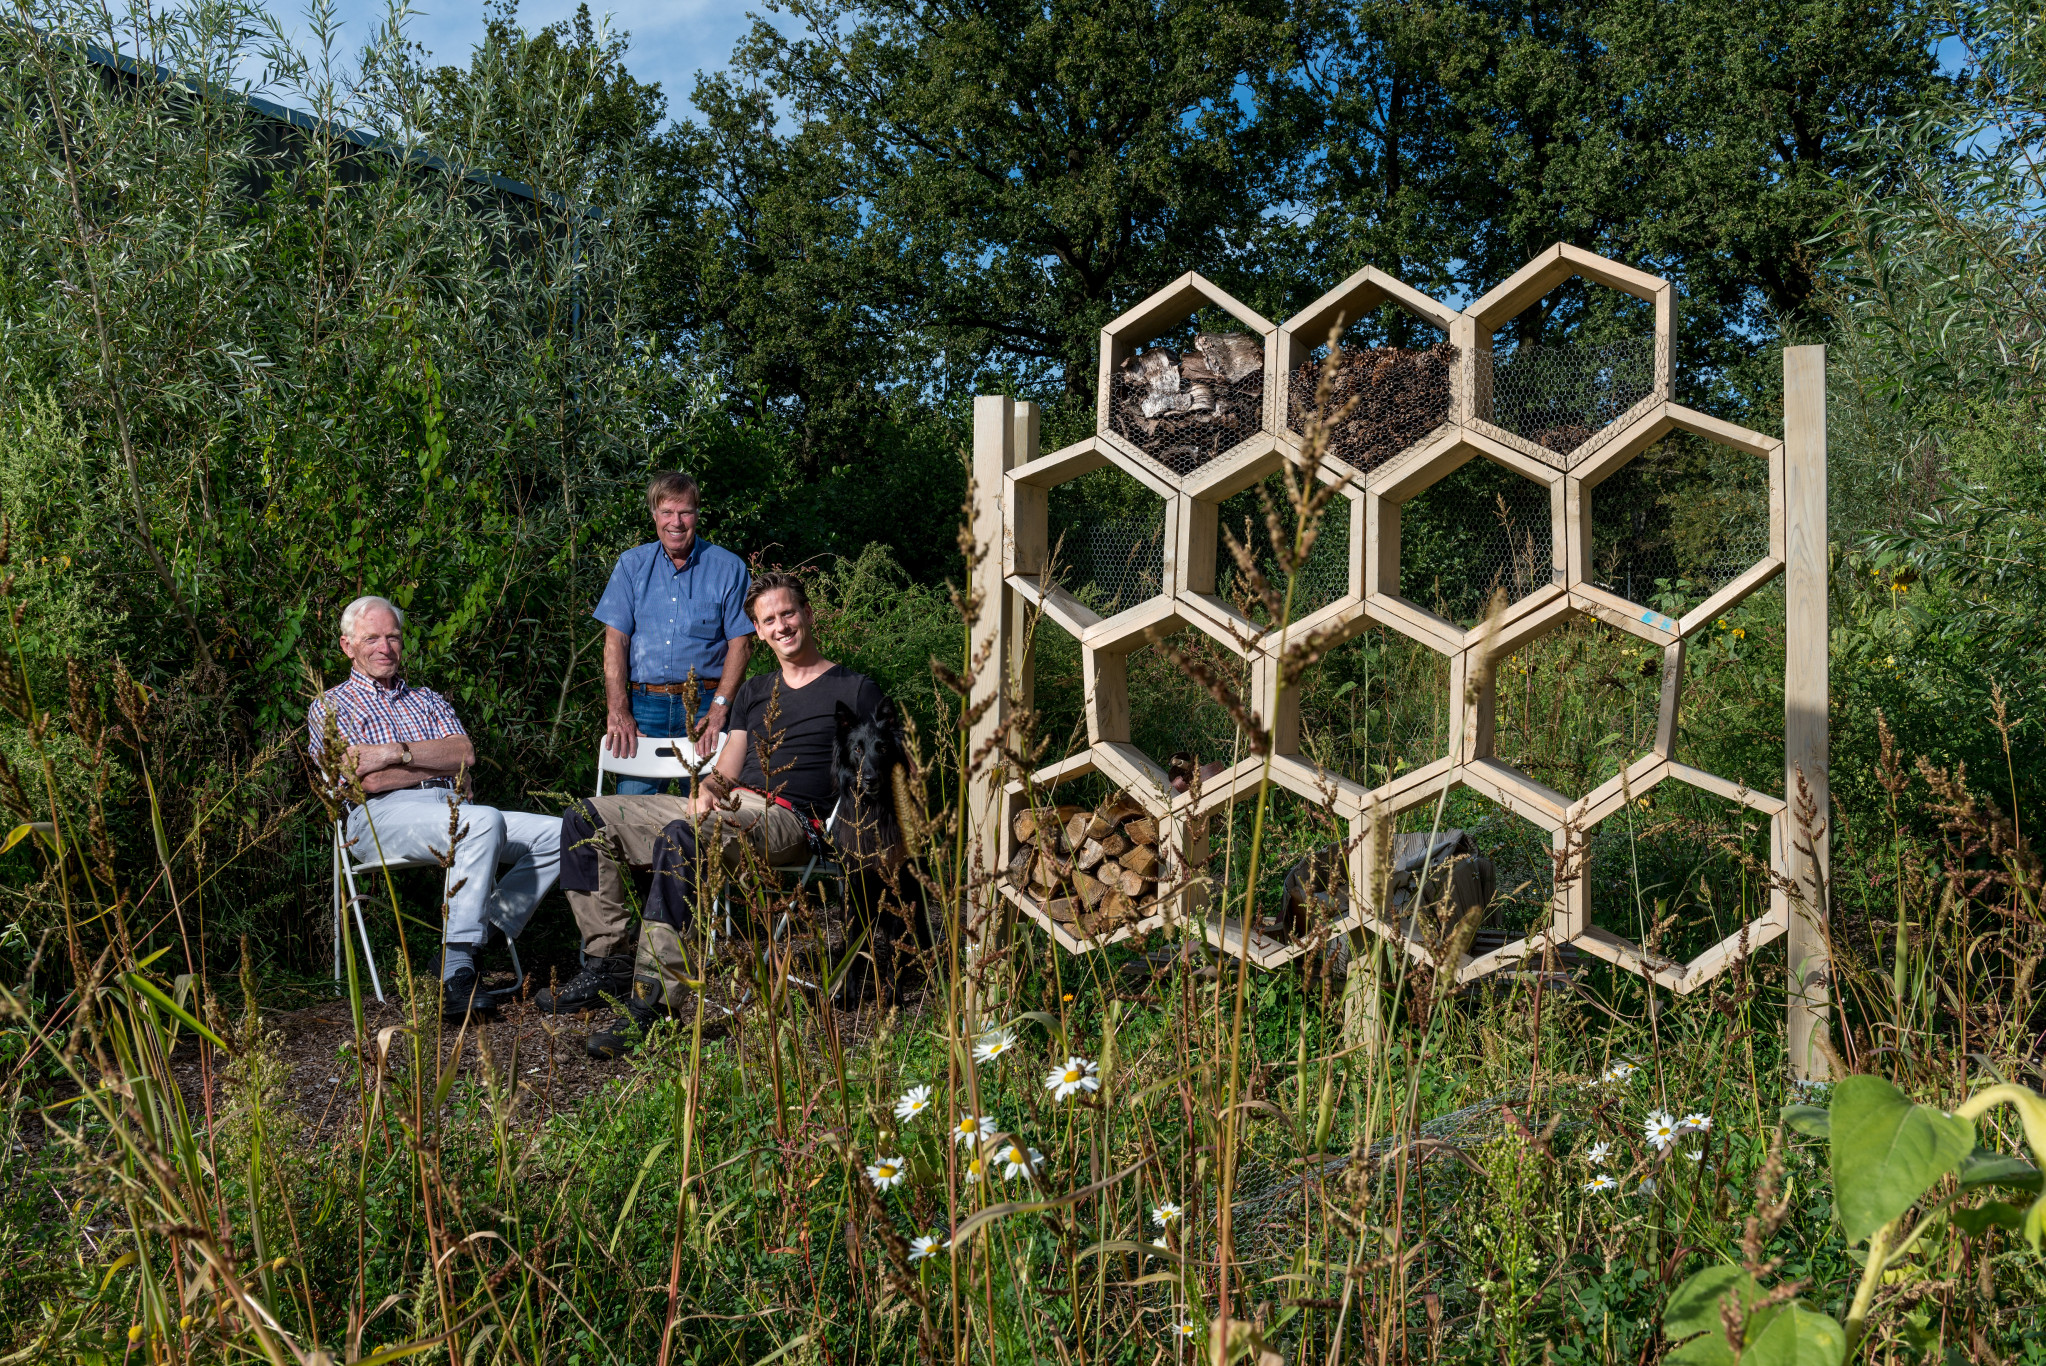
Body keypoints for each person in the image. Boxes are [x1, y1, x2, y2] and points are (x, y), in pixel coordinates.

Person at [571, 571, 885, 1058]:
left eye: (788, 613)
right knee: (586, 818)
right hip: (730, 802)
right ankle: (607, 960)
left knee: (682, 838)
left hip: (790, 819)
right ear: (757, 631)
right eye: (768, 620)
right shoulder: (755, 690)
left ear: (807, 614)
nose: (781, 626)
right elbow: (727, 769)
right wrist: (707, 789)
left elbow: (883, 768)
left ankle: (653, 1006)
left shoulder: (855, 688)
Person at [309, 596, 562, 1020]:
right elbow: (366, 781)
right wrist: (435, 761)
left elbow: (464, 753)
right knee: (483, 820)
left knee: (562, 833)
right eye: (372, 638)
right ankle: (457, 972)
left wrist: (393, 752)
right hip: (377, 816)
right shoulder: (330, 706)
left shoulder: (426, 698)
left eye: (393, 636)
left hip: (451, 808)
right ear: (347, 645)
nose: (385, 647)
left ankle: (464, 945)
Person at [594, 471, 753, 794]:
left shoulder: (729, 568)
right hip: (643, 708)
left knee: (708, 808)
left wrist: (719, 709)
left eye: (685, 512)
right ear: (654, 515)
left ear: (697, 514)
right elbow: (615, 641)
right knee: (633, 811)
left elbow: (742, 644)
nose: (676, 522)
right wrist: (618, 709)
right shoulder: (631, 565)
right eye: (667, 512)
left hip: (705, 706)